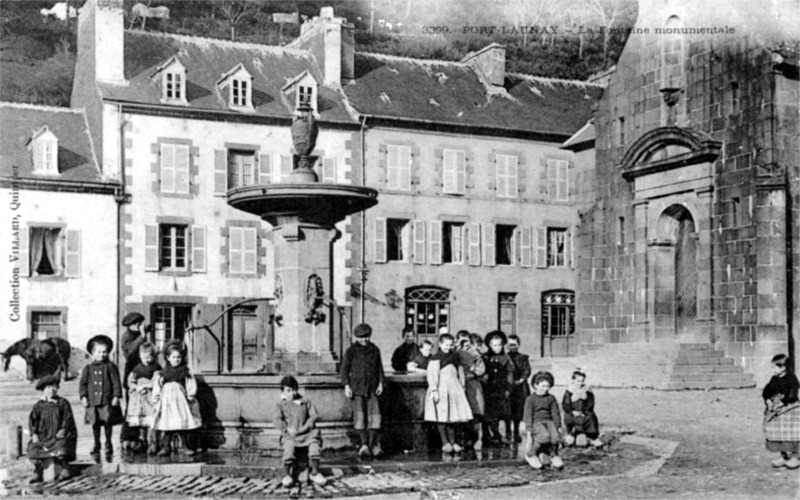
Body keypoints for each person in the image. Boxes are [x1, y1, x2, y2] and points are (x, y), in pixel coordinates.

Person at [274, 375, 327, 496]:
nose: (292, 393)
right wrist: (286, 429)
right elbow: (277, 419)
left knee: (314, 447)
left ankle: (314, 473)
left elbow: (314, 416)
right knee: (289, 449)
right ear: (283, 391)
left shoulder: (305, 401)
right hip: (291, 435)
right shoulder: (280, 404)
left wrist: (307, 426)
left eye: (294, 389)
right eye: (288, 390)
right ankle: (287, 475)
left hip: (306, 433)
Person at [340, 323, 385, 458]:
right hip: (357, 388)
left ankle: (374, 444)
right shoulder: (351, 351)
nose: (363, 340)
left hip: (372, 388)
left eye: (366, 337)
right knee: (360, 417)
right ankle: (364, 444)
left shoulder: (375, 350)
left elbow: (379, 368)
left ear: (369, 336)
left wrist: (381, 383)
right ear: (356, 337)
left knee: (374, 417)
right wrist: (346, 385)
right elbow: (344, 370)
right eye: (360, 337)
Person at [424, 334, 473, 454]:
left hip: (454, 388)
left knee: (453, 417)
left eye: (451, 345)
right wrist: (434, 390)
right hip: (442, 389)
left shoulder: (455, 357)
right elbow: (432, 375)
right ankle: (445, 442)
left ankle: (453, 442)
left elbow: (460, 372)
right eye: (446, 345)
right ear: (440, 344)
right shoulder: (436, 359)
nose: (448, 347)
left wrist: (462, 386)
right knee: (442, 417)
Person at [152, 342, 201, 456]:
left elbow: (190, 384)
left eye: (178, 357)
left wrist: (190, 396)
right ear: (168, 358)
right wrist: (155, 399)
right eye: (174, 357)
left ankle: (185, 447)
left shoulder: (185, 372)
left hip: (180, 403)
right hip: (167, 403)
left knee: (181, 425)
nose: (176, 359)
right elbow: (157, 386)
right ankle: (166, 447)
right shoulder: (163, 373)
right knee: (167, 426)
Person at [79, 335, 123, 460]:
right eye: (98, 352)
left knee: (107, 422)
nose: (101, 355)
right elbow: (83, 384)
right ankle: (96, 443)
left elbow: (116, 382)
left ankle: (108, 443)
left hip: (107, 400)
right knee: (95, 423)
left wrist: (116, 396)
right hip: (93, 401)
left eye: (104, 352)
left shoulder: (111, 367)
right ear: (93, 353)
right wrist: (83, 397)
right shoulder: (88, 368)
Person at [27, 375, 77, 483]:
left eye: (54, 387)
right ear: (43, 390)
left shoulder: (63, 403)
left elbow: (67, 419)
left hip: (58, 436)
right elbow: (33, 421)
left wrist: (63, 429)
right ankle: (37, 471)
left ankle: (65, 468)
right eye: (48, 387)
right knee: (33, 447)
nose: (52, 390)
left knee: (62, 444)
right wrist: (34, 434)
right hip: (44, 436)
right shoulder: (38, 406)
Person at [763, 354, 800, 469]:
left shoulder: (791, 378)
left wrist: (783, 402)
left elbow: (792, 394)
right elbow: (767, 390)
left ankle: (796, 457)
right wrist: (768, 400)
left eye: (775, 367)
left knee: (791, 434)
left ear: (783, 367)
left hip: (789, 409)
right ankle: (784, 456)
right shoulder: (774, 378)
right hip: (777, 411)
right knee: (779, 434)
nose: (772, 370)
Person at [125, 343, 162, 455]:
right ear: (140, 356)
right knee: (141, 422)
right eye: (143, 357)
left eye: (149, 357)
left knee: (151, 420)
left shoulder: (156, 368)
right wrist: (136, 387)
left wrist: (146, 386)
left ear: (153, 356)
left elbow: (157, 381)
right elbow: (130, 381)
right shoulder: (136, 369)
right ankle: (142, 442)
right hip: (139, 398)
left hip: (150, 396)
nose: (146, 359)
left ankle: (153, 444)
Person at [523, 371, 564, 470]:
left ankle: (554, 455)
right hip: (537, 422)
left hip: (549, 422)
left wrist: (558, 427)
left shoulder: (551, 398)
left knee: (555, 437)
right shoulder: (530, 399)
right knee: (544, 436)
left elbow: (555, 413)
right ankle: (531, 454)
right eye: (543, 386)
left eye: (547, 386)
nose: (545, 389)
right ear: (535, 385)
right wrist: (529, 432)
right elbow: (528, 416)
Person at [120, 312, 148, 451]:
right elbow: (130, 353)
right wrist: (142, 337)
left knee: (144, 407)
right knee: (131, 408)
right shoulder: (127, 337)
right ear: (133, 325)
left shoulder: (137, 335)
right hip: (132, 375)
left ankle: (139, 440)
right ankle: (127, 438)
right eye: (138, 324)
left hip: (144, 374)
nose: (140, 326)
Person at [482, 330, 513, 445]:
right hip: (488, 389)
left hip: (501, 389)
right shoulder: (485, 358)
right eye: (494, 345)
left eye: (499, 345)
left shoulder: (506, 358)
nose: (497, 347)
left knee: (502, 412)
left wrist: (508, 389)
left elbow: (510, 374)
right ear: (489, 345)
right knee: (487, 413)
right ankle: (486, 435)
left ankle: (500, 434)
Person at [457, 332, 486, 450]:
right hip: (460, 385)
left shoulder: (476, 355)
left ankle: (477, 439)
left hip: (473, 385)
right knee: (461, 413)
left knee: (476, 411)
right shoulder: (456, 353)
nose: (466, 345)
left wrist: (473, 372)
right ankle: (463, 440)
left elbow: (481, 369)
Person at [562, 369, 602, 448]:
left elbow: (591, 402)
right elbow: (566, 404)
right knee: (569, 417)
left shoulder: (587, 390)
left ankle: (592, 438)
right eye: (578, 381)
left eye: (582, 381)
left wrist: (585, 411)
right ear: (573, 380)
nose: (580, 383)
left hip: (584, 413)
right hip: (573, 413)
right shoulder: (569, 391)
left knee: (591, 417)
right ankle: (571, 435)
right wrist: (572, 411)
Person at [507, 334, 531, 444]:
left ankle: (516, 432)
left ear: (518, 345)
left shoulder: (523, 358)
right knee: (507, 411)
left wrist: (521, 380)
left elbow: (527, 370)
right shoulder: (505, 357)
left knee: (518, 411)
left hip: (520, 388)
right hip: (508, 387)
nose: (512, 347)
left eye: (514, 345)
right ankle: (508, 433)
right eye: (510, 345)